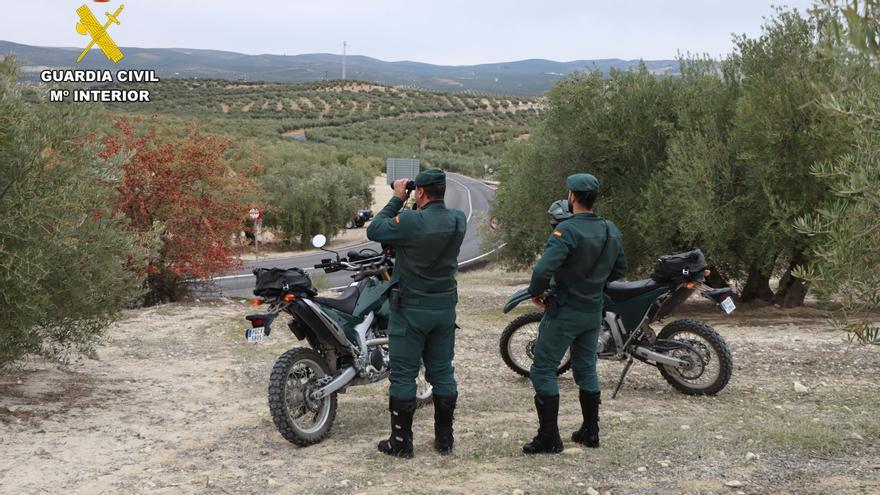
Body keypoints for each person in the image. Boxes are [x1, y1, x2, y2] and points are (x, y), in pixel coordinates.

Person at [522, 173, 627, 454]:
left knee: (543, 369)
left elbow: (543, 270)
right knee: (586, 370)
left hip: (565, 311)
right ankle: (590, 432)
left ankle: (549, 438)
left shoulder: (566, 231)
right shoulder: (609, 229)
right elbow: (619, 269)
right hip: (593, 312)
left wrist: (537, 291)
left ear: (571, 196)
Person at [366, 168, 467, 458]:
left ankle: (401, 442)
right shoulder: (458, 220)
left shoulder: (409, 221)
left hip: (411, 310)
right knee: (442, 371)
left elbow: (375, 230)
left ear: (419, 192)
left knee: (403, 375)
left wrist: (398, 198)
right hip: (444, 308)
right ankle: (444, 440)